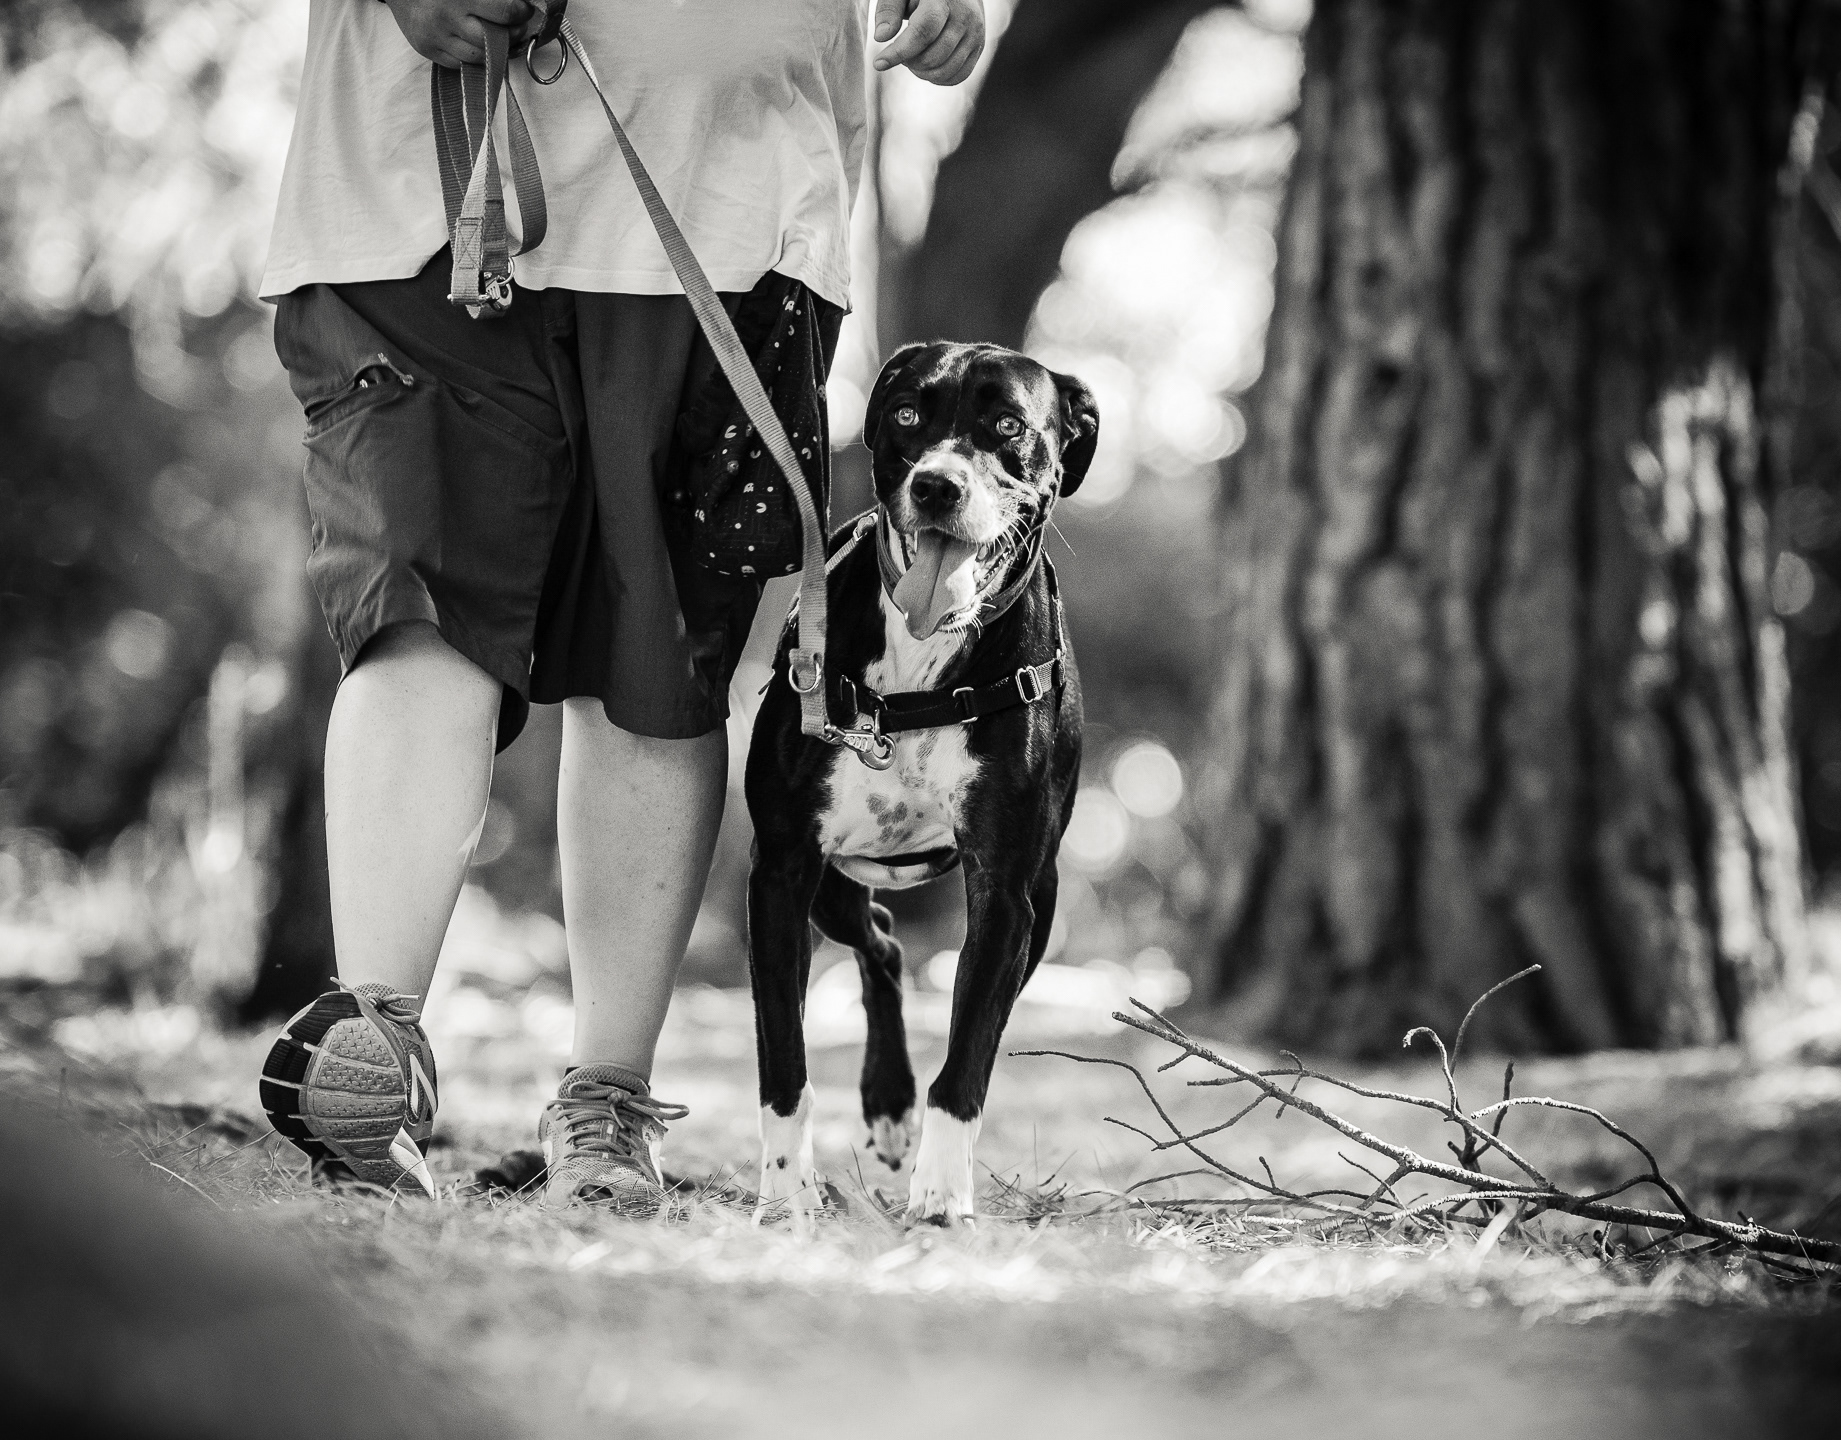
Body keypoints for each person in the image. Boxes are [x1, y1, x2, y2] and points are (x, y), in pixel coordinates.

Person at [255, 0, 986, 1206]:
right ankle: (394, 1065)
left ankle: (543, 1084)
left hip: (732, 215)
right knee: (433, 615)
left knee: (650, 664)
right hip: (423, 193)